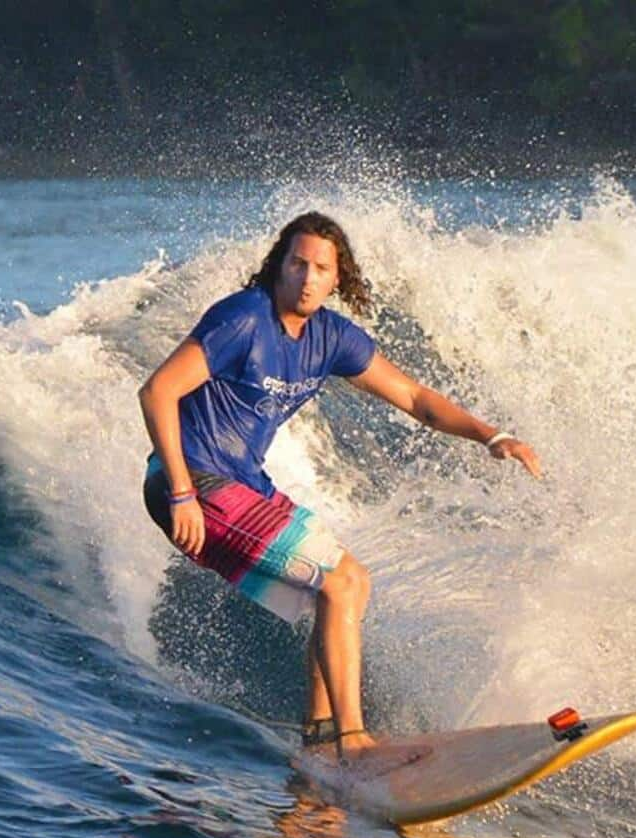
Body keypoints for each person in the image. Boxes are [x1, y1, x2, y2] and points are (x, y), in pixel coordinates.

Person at [137, 211, 543, 758]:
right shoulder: (242, 318)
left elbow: (416, 400)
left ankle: (322, 741)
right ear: (277, 268)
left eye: (320, 268)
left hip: (240, 484)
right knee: (337, 582)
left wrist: (492, 435)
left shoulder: (330, 337)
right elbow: (158, 390)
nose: (307, 277)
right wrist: (183, 493)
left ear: (337, 278)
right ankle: (352, 741)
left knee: (349, 584)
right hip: (192, 480)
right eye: (297, 264)